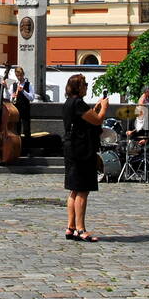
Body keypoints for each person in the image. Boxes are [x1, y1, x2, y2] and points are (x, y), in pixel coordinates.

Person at [62, 73, 107, 242]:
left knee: (74, 189)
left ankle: (70, 227)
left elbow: (83, 120)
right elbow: (97, 120)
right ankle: (81, 229)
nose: (87, 87)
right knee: (82, 190)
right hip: (82, 150)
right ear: (78, 87)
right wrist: (103, 107)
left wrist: (93, 109)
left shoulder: (69, 102)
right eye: (85, 84)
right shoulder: (79, 103)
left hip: (71, 148)